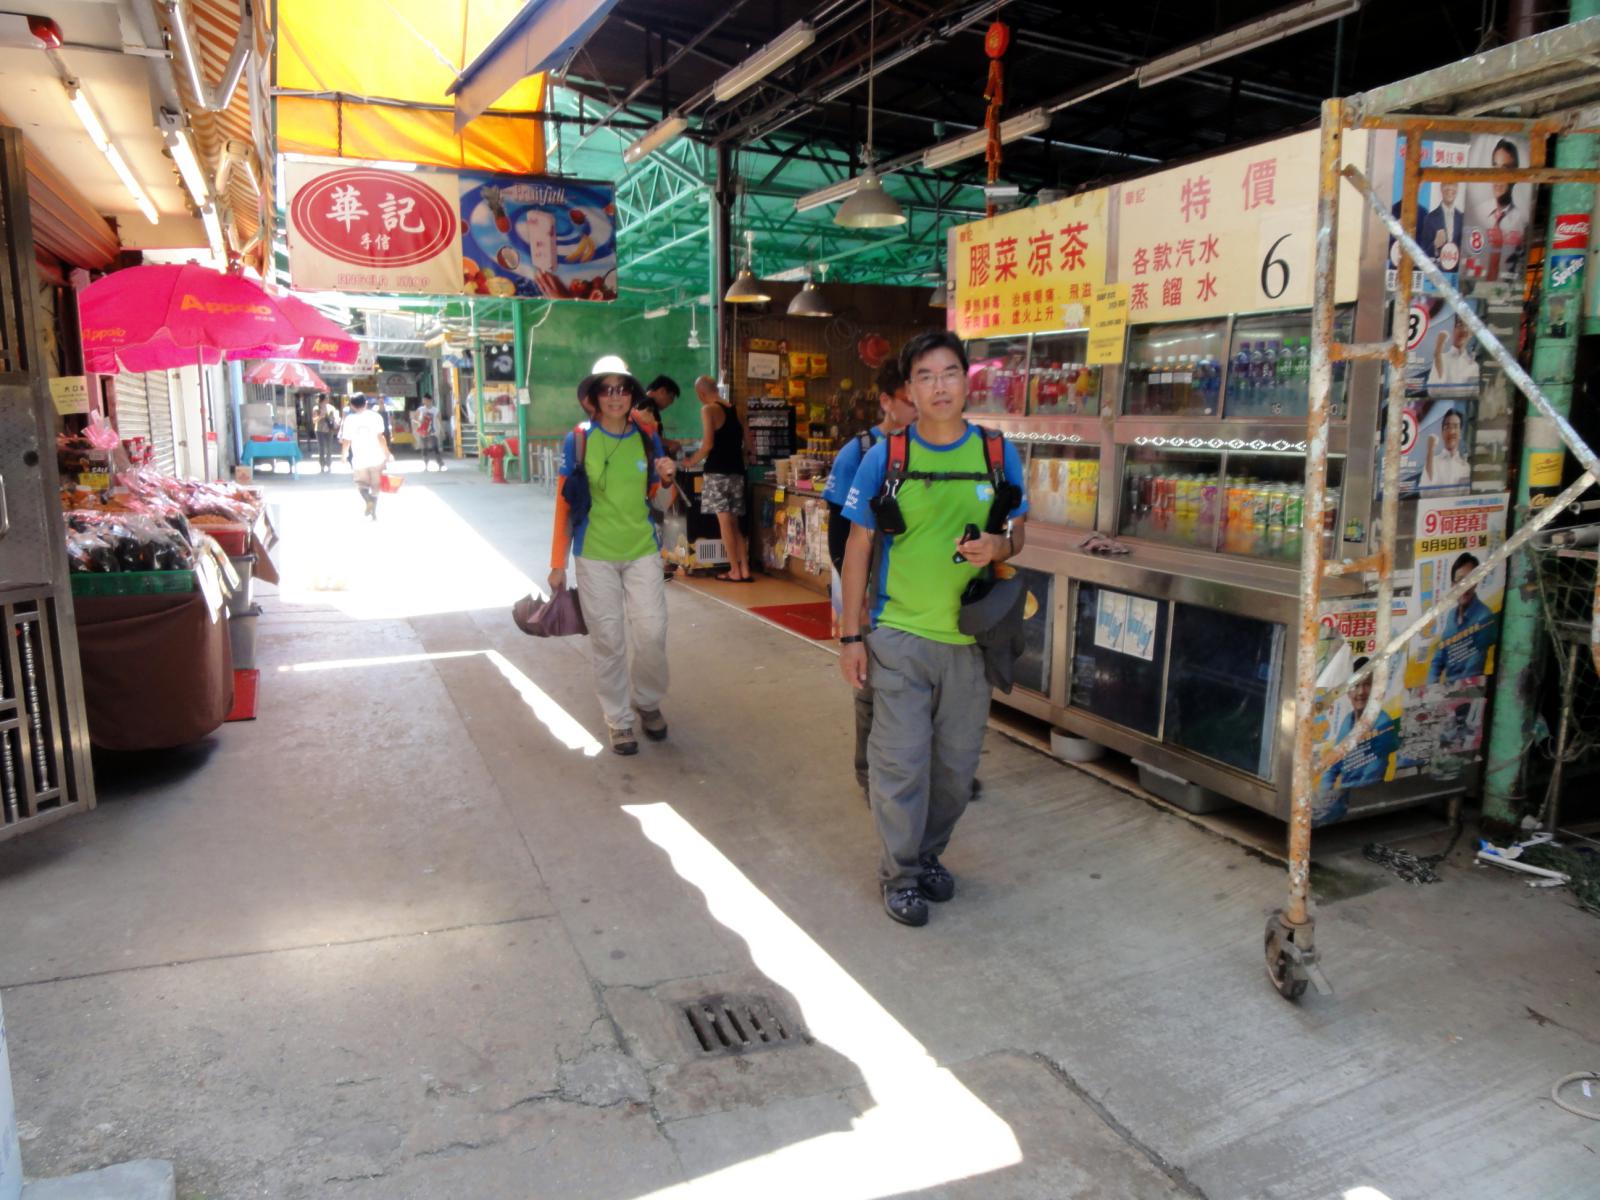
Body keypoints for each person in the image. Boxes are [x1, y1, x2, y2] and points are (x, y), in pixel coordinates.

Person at [838, 330, 1028, 927]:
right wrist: (850, 637)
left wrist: (999, 545)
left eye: (949, 373)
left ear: (966, 381)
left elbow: (1018, 531)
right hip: (899, 635)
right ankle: (900, 875)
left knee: (955, 771)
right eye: (925, 376)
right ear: (909, 390)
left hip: (972, 640)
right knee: (900, 763)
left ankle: (926, 855)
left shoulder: (997, 453)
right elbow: (858, 547)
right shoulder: (886, 458)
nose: (939, 386)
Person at [550, 369, 679, 755]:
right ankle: (618, 720)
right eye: (606, 390)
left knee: (652, 632)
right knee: (608, 640)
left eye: (622, 389)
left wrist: (668, 481)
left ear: (632, 394)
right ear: (594, 397)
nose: (615, 396)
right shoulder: (578, 440)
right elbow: (564, 504)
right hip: (595, 554)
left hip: (642, 550)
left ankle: (648, 702)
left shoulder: (646, 436)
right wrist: (557, 562)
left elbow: (660, 503)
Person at [823, 361, 917, 796]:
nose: (919, 410)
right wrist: (852, 597)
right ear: (886, 401)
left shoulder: (937, 449)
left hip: (915, 593)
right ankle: (868, 772)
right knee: (869, 685)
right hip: (869, 586)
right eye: (910, 402)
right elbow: (840, 534)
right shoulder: (859, 452)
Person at [680, 375, 751, 582]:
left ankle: (734, 570)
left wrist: (691, 461)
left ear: (701, 393)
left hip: (717, 472)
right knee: (735, 523)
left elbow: (708, 444)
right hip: (737, 472)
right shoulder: (737, 410)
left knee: (724, 522)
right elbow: (748, 442)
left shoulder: (708, 410)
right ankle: (745, 569)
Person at [1316, 657, 1402, 824]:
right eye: (1356, 685)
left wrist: (1336, 802)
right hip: (1341, 797)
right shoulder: (1347, 722)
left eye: (1367, 685)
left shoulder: (1383, 723)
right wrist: (1324, 795)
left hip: (1362, 799)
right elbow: (1333, 766)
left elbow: (1371, 776)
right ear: (1348, 691)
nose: (1360, 692)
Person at [1428, 552, 1496, 683]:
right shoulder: (1451, 615)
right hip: (1445, 689)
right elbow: (1438, 658)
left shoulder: (1485, 617)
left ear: (1476, 582)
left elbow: (1472, 670)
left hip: (1467, 688)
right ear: (1453, 585)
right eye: (1460, 580)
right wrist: (1431, 686)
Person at [338, 394, 390, 520]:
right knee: (375, 487)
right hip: (376, 457)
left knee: (361, 485)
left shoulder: (349, 420)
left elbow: (346, 441)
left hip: (359, 458)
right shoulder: (376, 417)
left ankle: (368, 501)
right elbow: (381, 437)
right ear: (366, 403)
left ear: (352, 406)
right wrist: (387, 453)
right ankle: (373, 513)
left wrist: (344, 455)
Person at [1423, 406, 1471, 488]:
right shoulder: (1433, 462)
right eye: (1447, 427)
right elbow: (1424, 490)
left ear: (1460, 433)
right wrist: (1430, 450)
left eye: (1455, 426)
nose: (1451, 431)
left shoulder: (1465, 467)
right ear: (1442, 433)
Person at [1418, 182, 1463, 263]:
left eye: (1453, 185)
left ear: (1457, 188)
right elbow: (1422, 253)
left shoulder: (1462, 218)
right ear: (1441, 188)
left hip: (1456, 269)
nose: (1450, 188)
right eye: (1446, 184)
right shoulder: (1429, 218)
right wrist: (1435, 245)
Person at [1427, 320, 1477, 393]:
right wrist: (1438, 349)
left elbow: (1473, 392)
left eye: (1467, 326)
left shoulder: (1473, 366)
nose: (1463, 330)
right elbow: (1433, 390)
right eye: (1459, 325)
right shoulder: (1442, 358)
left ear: (1471, 334)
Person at [636, 375, 682, 453]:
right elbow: (647, 437)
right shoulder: (647, 405)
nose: (670, 403)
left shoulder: (641, 401)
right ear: (662, 391)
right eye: (670, 398)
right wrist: (671, 443)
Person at [413, 398, 445, 471]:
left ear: (431, 401)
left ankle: (440, 464)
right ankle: (426, 465)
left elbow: (440, 421)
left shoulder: (435, 410)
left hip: (433, 432)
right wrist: (419, 421)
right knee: (424, 449)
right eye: (424, 401)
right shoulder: (420, 409)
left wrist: (442, 431)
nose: (426, 402)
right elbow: (414, 419)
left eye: (427, 400)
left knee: (435, 448)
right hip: (423, 432)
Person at [314, 397, 341, 474]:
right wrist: (320, 416)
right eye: (326, 399)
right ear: (322, 400)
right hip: (319, 430)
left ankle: (328, 464)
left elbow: (335, 417)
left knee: (329, 448)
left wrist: (336, 422)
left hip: (329, 430)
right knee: (321, 448)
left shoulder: (331, 407)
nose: (327, 400)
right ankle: (322, 465)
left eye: (328, 399)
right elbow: (314, 420)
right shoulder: (316, 408)